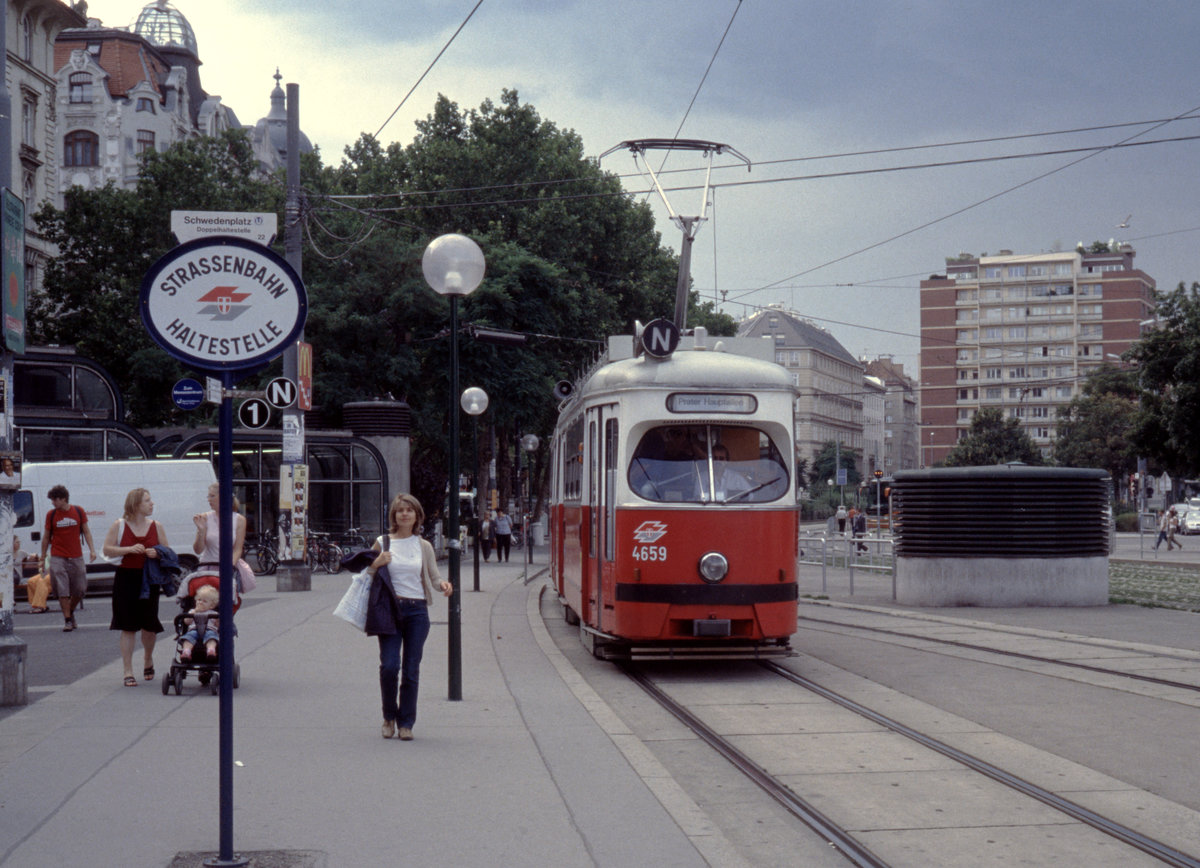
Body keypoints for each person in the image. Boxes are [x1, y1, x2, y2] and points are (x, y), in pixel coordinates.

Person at [364, 493, 452, 741]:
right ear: (394, 515)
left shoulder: (423, 546)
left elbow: (434, 578)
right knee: (390, 666)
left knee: (411, 669)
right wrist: (376, 563)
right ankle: (388, 717)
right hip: (389, 610)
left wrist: (444, 585)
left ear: (416, 516)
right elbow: (365, 575)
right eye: (400, 510)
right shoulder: (382, 543)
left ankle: (406, 723)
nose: (404, 514)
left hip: (417, 612)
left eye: (409, 510)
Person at [102, 488, 168, 687]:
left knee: (149, 624)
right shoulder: (119, 525)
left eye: (150, 500)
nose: (152, 504)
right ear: (136, 505)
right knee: (127, 625)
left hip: (149, 578)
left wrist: (157, 553)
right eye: (147, 501)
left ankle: (148, 657)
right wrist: (128, 549)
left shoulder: (157, 526)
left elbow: (167, 551)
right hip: (126, 577)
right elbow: (106, 548)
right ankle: (127, 670)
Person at [40, 484, 97, 632]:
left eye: (55, 499)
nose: (53, 503)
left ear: (64, 499)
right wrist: (43, 556)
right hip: (58, 556)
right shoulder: (51, 515)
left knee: (79, 589)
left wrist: (92, 550)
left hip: (76, 555)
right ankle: (67, 620)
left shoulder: (78, 511)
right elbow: (46, 537)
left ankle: (70, 612)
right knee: (62, 589)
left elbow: (86, 531)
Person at [192, 483, 249, 591]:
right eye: (208, 496)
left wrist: (229, 566)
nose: (209, 499)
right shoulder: (204, 517)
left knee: (228, 600)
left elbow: (237, 549)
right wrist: (201, 530)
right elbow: (198, 550)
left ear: (223, 496)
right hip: (208, 567)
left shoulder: (239, 520)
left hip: (228, 567)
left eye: (212, 496)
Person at [179, 585, 220, 662]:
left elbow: (218, 626)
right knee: (188, 638)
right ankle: (186, 652)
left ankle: (211, 650)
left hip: (209, 630)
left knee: (211, 637)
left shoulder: (213, 613)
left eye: (204, 601)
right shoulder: (192, 611)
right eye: (199, 600)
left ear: (211, 606)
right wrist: (194, 612)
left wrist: (218, 621)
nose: (200, 602)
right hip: (194, 630)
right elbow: (186, 622)